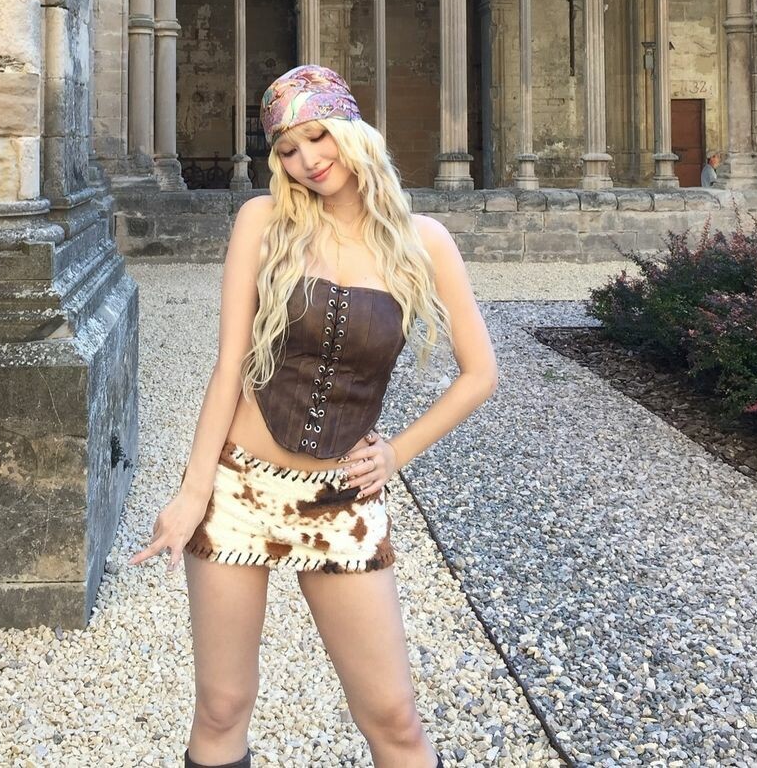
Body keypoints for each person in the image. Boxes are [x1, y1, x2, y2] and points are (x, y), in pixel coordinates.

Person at [129, 64, 499, 768]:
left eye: (317, 136)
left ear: (351, 131)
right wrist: (192, 492)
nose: (307, 160)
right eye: (288, 149)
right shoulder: (264, 222)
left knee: (394, 717)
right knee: (221, 706)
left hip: (340, 501)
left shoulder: (423, 241)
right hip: (240, 490)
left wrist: (397, 453)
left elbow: (480, 375)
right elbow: (230, 366)